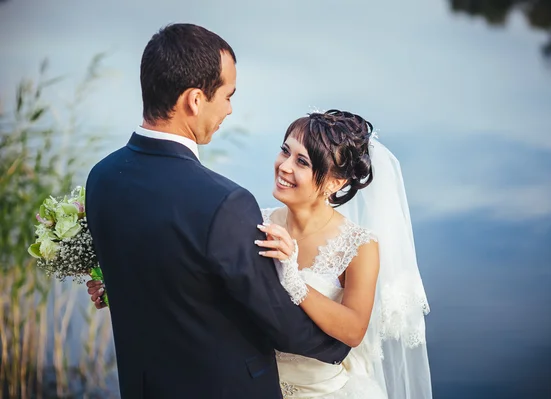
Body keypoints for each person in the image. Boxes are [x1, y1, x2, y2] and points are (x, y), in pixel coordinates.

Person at [84, 23, 351, 399]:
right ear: (195, 100)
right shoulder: (224, 203)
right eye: (227, 95)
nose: (229, 108)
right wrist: (337, 348)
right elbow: (276, 319)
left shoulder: (102, 178)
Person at [89, 108, 432, 398]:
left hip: (324, 391)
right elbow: (213, 289)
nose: (284, 166)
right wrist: (124, 284)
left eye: (303, 162)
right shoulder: (258, 221)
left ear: (334, 183)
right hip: (253, 385)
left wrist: (293, 279)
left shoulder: (360, 245)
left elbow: (354, 330)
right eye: (285, 151)